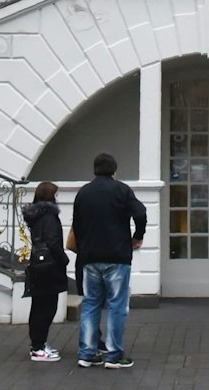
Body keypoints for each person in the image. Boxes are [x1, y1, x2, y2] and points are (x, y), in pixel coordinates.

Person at [69, 152, 146, 369]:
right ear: (114, 170)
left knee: (91, 304)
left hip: (90, 257)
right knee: (116, 305)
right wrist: (137, 236)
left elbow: (77, 223)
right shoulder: (121, 190)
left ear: (94, 169)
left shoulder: (83, 192)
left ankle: (87, 353)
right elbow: (140, 213)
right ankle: (114, 355)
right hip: (116, 255)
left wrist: (84, 246)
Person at [21, 181, 68, 362]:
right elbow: (52, 242)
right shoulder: (49, 217)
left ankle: (38, 344)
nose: (57, 197)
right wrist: (63, 259)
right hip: (50, 267)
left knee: (39, 306)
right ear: (50, 195)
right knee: (47, 307)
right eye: (55, 194)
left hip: (38, 265)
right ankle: (38, 347)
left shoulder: (36, 216)